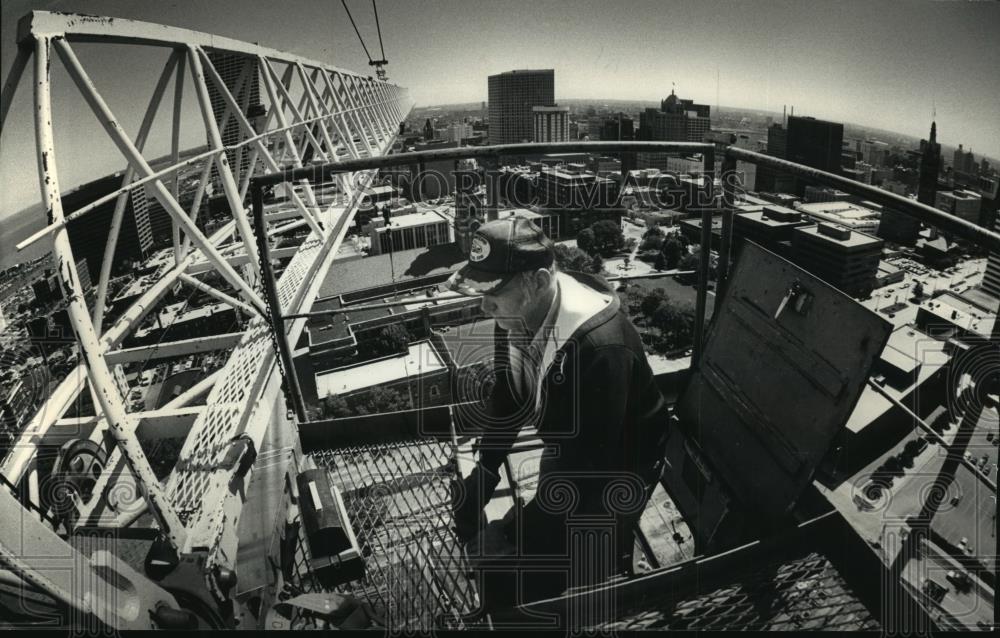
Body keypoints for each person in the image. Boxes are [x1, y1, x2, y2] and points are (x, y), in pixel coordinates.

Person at [447, 215, 669, 614]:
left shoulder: (599, 348)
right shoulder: (517, 313)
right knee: (538, 534)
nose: (483, 303)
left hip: (620, 466)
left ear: (536, 281)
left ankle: (596, 589)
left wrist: (512, 532)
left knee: (564, 567)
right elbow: (509, 392)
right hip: (572, 448)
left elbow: (585, 471)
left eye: (493, 290)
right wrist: (486, 469)